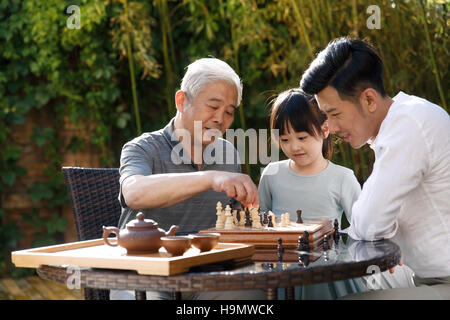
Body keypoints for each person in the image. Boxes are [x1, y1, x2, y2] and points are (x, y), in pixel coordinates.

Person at [300, 37, 450, 299]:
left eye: (334, 114)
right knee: (340, 286)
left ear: (369, 99)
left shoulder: (409, 125)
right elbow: (372, 225)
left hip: (443, 281)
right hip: (421, 274)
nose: (331, 129)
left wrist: (375, 227)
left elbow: (369, 224)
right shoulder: (399, 124)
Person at [113, 57, 264, 300]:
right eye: (213, 107)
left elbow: (236, 223)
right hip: (142, 276)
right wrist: (209, 178)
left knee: (252, 298)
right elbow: (134, 193)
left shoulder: (228, 155)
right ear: (181, 101)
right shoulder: (142, 148)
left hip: (207, 278)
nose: (220, 119)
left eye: (229, 112)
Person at [258, 89, 366, 299]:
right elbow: (263, 224)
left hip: (327, 273)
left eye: (301, 137)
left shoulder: (342, 177)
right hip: (283, 273)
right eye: (285, 139)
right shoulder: (272, 174)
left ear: (325, 129)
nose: (294, 146)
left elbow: (362, 228)